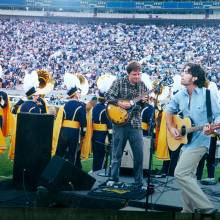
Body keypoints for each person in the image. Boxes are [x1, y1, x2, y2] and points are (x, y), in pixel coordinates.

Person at [165, 63, 220, 213]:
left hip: (201, 141)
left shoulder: (208, 95)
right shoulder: (179, 95)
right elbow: (168, 112)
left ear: (194, 77)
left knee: (180, 173)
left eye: (186, 72)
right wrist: (171, 128)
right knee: (188, 176)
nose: (182, 74)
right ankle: (187, 211)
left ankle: (206, 207)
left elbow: (218, 116)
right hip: (185, 142)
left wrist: (212, 128)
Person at [105, 61, 148, 189]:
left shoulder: (142, 86)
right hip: (119, 124)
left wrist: (144, 102)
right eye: (134, 74)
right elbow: (107, 95)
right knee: (116, 153)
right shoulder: (119, 82)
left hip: (135, 124)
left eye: (139, 74)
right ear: (128, 73)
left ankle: (138, 182)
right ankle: (113, 179)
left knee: (139, 155)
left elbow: (141, 105)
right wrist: (119, 102)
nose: (137, 77)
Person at [55, 73, 86, 168]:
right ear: (75, 94)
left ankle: (52, 173)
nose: (80, 94)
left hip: (63, 131)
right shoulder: (81, 105)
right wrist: (83, 134)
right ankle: (69, 176)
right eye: (79, 92)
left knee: (60, 153)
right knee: (72, 154)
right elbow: (83, 122)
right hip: (74, 132)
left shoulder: (64, 105)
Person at [92, 91, 112, 172]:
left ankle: (94, 169)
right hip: (102, 135)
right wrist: (110, 137)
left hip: (95, 133)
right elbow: (109, 125)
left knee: (96, 154)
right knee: (102, 154)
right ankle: (100, 171)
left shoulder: (95, 107)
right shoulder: (105, 109)